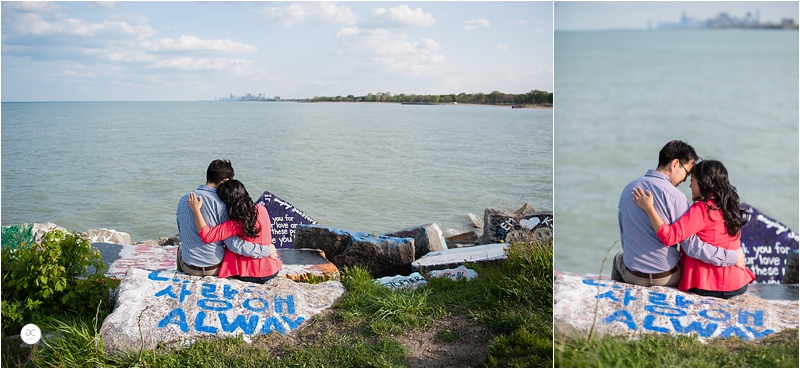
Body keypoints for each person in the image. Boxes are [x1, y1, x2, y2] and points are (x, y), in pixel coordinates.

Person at [612, 140, 744, 287]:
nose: (685, 180)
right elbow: (691, 246)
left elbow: (624, 234)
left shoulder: (629, 189)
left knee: (618, 259)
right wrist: (732, 257)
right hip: (667, 277)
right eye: (687, 173)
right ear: (675, 164)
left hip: (633, 275)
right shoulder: (676, 197)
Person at [632, 160, 754, 298]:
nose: (690, 185)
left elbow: (669, 237)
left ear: (704, 182)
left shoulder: (703, 209)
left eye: (693, 180)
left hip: (709, 286)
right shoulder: (731, 208)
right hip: (738, 284)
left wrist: (649, 208)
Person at [176, 159, 269, 276]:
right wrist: (266, 250)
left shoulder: (184, 199)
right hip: (214, 267)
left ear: (207, 176)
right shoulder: (224, 204)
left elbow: (182, 232)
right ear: (225, 181)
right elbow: (233, 244)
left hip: (188, 268)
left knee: (181, 247)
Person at [187, 179, 282, 283]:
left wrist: (196, 210)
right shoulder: (261, 208)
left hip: (249, 274)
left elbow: (207, 236)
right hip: (271, 270)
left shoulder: (235, 223)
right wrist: (269, 249)